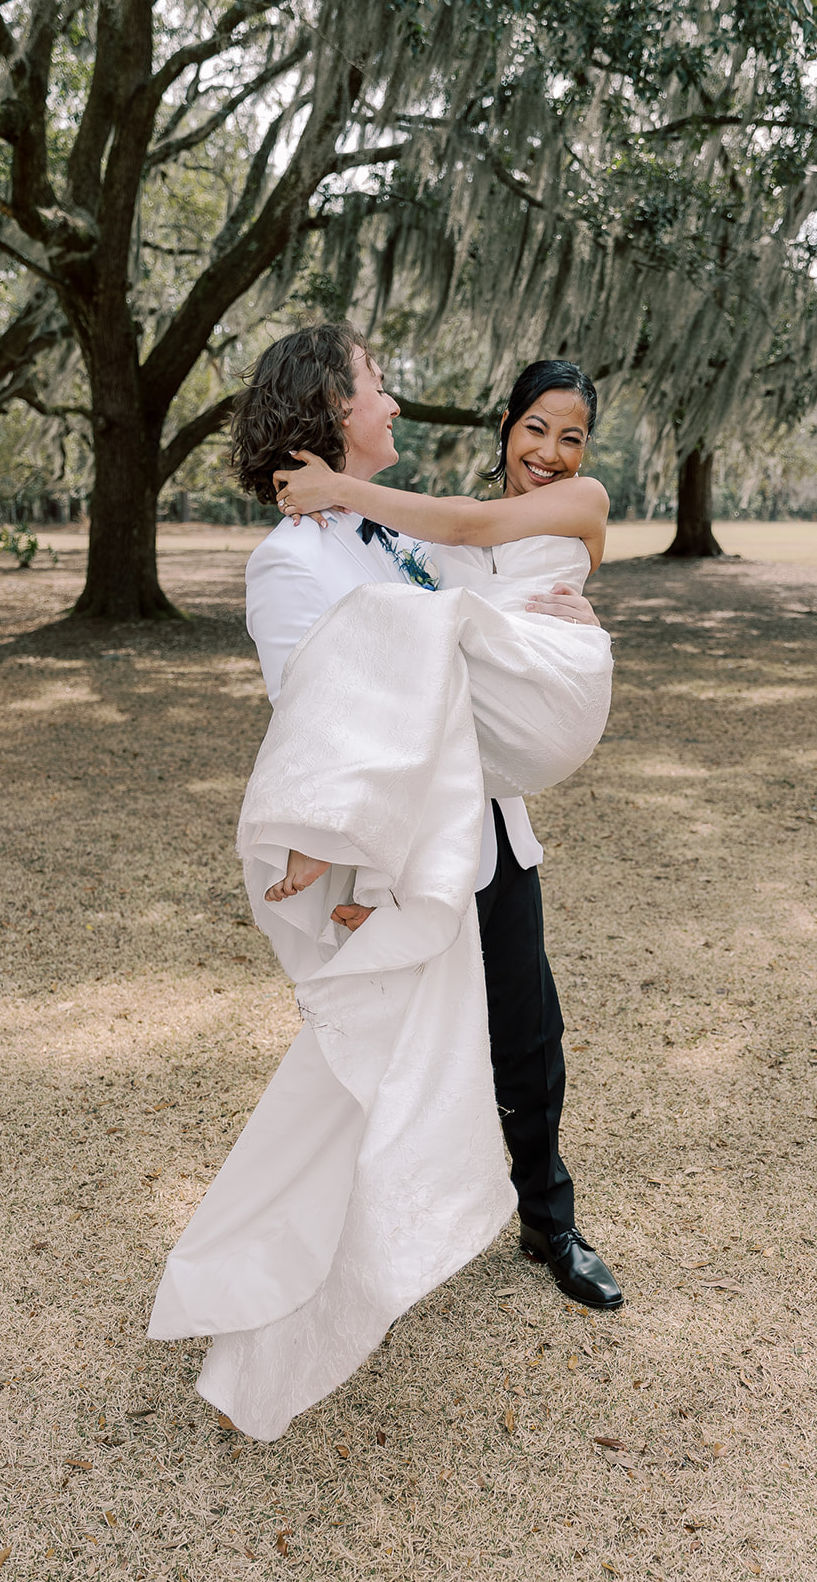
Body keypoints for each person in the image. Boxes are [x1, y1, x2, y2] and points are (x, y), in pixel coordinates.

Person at [256, 331, 623, 1312]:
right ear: (332, 408)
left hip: (493, 824)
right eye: (377, 387)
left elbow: (481, 608)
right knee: (396, 1063)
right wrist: (336, 867)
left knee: (528, 1040)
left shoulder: (411, 530)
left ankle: (551, 1226)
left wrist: (562, 636)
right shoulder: (287, 564)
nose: (395, 405)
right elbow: (312, 718)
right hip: (406, 847)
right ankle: (351, 1255)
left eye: (571, 435)